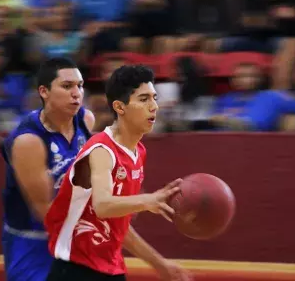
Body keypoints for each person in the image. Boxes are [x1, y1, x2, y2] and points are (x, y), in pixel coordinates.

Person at [45, 65, 191, 281]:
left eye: (154, 98)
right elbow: (103, 206)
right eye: (143, 99)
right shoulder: (102, 150)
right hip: (75, 267)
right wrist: (148, 200)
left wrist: (160, 264)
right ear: (119, 107)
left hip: (110, 268)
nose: (154, 106)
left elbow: (118, 227)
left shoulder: (138, 152)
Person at [1, 57, 95, 281]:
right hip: (32, 244)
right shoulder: (28, 141)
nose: (76, 93)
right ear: (44, 91)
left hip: (71, 233)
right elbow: (45, 212)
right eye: (66, 86)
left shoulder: (85, 121)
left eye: (79, 86)